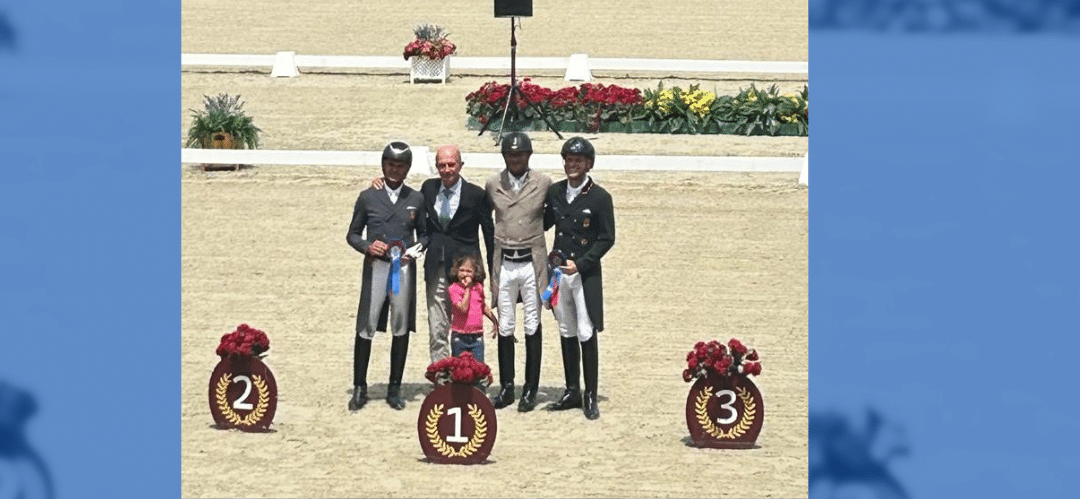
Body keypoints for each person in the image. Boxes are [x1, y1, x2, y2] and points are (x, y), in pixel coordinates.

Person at [346, 141, 427, 411]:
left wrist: (413, 253)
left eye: (401, 166)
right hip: (376, 267)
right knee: (366, 324)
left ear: (407, 169)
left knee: (401, 325)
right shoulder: (368, 197)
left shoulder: (415, 199)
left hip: (402, 268)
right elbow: (353, 234)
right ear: (383, 165)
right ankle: (360, 385)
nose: (395, 170)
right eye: (391, 165)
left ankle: (395, 386)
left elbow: (425, 235)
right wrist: (368, 246)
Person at [543, 137, 615, 420]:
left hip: (582, 273)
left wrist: (583, 263)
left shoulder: (599, 197)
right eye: (569, 160)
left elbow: (607, 238)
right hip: (559, 272)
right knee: (566, 329)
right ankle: (572, 389)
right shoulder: (555, 192)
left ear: (589, 164)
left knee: (586, 330)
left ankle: (589, 394)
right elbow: (545, 222)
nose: (572, 165)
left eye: (578, 161)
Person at [483, 131, 552, 412]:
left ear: (529, 156)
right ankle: (508, 387)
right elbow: (482, 215)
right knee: (506, 325)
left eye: (521, 154)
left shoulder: (544, 183)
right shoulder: (492, 184)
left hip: (531, 262)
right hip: (505, 262)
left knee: (533, 323)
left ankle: (531, 389)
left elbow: (557, 212)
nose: (516, 159)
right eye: (511, 154)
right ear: (504, 157)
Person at [421, 145, 496, 363]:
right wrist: (378, 184)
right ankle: (441, 377)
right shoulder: (428, 188)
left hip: (466, 271)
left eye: (451, 164)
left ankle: (468, 377)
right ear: (436, 166)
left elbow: (489, 235)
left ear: (460, 165)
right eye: (441, 165)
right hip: (436, 266)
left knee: (468, 328)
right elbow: (410, 207)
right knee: (437, 326)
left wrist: (492, 273)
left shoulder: (476, 195)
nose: (446, 169)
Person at [447, 253, 498, 362]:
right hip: (459, 336)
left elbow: (482, 305)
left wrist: (494, 320)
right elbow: (463, 308)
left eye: (469, 271)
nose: (465, 274)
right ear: (456, 271)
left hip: (477, 336)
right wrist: (467, 289)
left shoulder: (478, 287)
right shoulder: (454, 289)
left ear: (475, 273)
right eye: (462, 270)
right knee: (460, 370)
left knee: (478, 368)